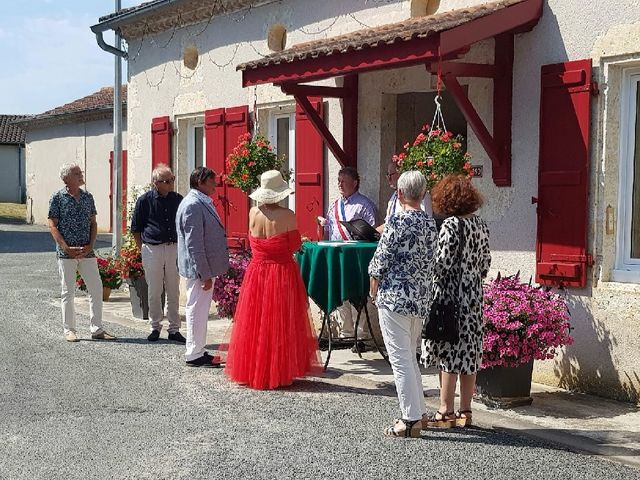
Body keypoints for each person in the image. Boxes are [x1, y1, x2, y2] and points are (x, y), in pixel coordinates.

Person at [226, 170, 321, 389]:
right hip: (281, 271)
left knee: (257, 320)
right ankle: (279, 370)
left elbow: (253, 242)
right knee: (280, 319)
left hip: (257, 271)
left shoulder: (252, 213)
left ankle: (256, 370)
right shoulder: (287, 215)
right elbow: (295, 245)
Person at [368, 171, 437, 438]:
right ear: (423, 194)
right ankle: (418, 412)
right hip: (418, 298)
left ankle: (409, 419)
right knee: (409, 357)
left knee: (400, 360)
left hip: (395, 297)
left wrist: (373, 288)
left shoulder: (397, 221)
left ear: (399, 194)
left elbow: (380, 260)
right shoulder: (430, 224)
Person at [422, 174, 491, 428]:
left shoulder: (451, 225)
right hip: (474, 297)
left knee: (449, 353)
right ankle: (466, 411)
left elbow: (442, 264)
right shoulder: (481, 225)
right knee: (470, 355)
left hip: (450, 297)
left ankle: (444, 410)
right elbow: (485, 264)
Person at [48, 163, 116, 342]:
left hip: (87, 251)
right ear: (66, 179)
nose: (81, 175)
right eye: (77, 173)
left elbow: (93, 223)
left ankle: (97, 329)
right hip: (67, 253)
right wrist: (65, 247)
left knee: (96, 288)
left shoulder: (88, 197)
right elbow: (52, 224)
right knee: (68, 291)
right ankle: (69, 330)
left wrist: (91, 244)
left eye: (80, 172)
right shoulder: (57, 197)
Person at [317, 166, 377, 345]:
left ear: (355, 183)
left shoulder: (365, 205)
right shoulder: (334, 205)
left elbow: (373, 234)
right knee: (341, 293)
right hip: (339, 255)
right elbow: (329, 231)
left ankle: (361, 335)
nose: (340, 184)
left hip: (357, 257)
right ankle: (346, 333)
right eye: (338, 180)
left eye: (344, 181)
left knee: (359, 293)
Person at [176, 167, 229, 367]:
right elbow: (194, 243)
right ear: (200, 181)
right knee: (196, 309)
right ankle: (194, 353)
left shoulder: (198, 201)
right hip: (199, 270)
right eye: (211, 181)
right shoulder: (193, 204)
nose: (215, 184)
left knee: (199, 309)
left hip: (202, 268)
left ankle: (198, 349)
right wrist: (204, 273)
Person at [131, 164, 185, 343]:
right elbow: (136, 228)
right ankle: (155, 326)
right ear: (156, 183)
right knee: (154, 290)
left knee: (173, 289)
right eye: (167, 181)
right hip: (152, 248)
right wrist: (143, 249)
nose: (171, 183)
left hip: (173, 247)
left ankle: (174, 329)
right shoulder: (144, 201)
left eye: (172, 179)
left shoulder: (178, 199)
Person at [376, 160, 433, 233]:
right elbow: (388, 224)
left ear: (400, 174)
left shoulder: (421, 195)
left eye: (391, 174)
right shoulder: (394, 197)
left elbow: (424, 223)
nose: (389, 178)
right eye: (387, 175)